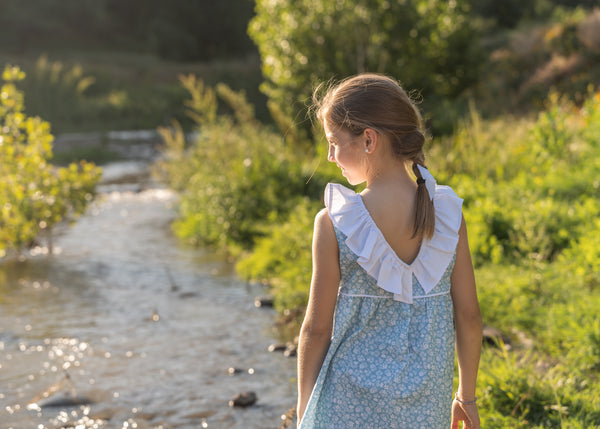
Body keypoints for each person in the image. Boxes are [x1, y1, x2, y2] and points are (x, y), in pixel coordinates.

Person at [296, 74, 482, 428]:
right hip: (425, 407)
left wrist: (305, 411)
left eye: (334, 142)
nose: (330, 156)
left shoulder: (336, 223)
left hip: (345, 405)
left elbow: (316, 330)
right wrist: (466, 396)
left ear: (369, 139)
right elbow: (469, 317)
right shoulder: (447, 216)